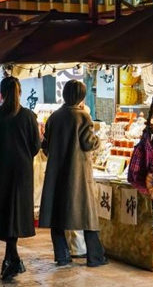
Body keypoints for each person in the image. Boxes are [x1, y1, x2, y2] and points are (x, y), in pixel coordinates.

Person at [39, 80, 107, 268]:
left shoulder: (54, 117)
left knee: (56, 214)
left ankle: (62, 256)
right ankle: (95, 257)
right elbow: (88, 143)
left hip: (56, 173)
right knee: (87, 215)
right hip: (78, 174)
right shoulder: (83, 117)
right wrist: (98, 140)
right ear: (81, 97)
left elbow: (45, 147)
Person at [0, 76, 41, 281]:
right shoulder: (29, 116)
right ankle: (12, 258)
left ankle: (11, 259)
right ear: (20, 93)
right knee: (16, 212)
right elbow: (35, 146)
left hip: (0, 169)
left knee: (3, 210)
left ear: (1, 94)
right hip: (22, 171)